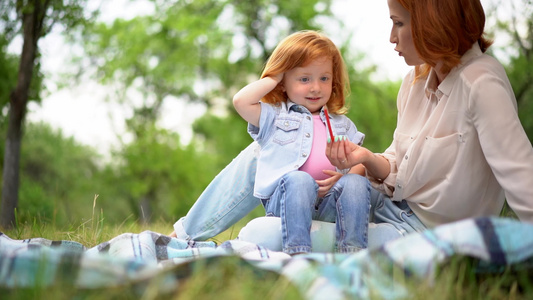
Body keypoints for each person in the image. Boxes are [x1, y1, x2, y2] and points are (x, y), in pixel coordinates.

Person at [171, 0, 533, 248]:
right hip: (382, 202)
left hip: (421, 234)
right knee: (271, 147)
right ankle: (184, 235)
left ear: (432, 22)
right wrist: (364, 160)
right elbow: (396, 167)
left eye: (398, 23)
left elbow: (522, 177)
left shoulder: (481, 83)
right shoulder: (416, 81)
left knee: (260, 235)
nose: (392, 37)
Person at [231, 30, 371, 254]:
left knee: (356, 183)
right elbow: (241, 101)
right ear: (284, 82)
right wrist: (275, 77)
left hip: (329, 204)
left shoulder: (342, 124)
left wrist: (346, 176)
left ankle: (353, 253)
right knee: (299, 179)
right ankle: (298, 253)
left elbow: (361, 162)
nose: (315, 87)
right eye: (304, 79)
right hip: (287, 201)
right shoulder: (276, 117)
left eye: (324, 78)